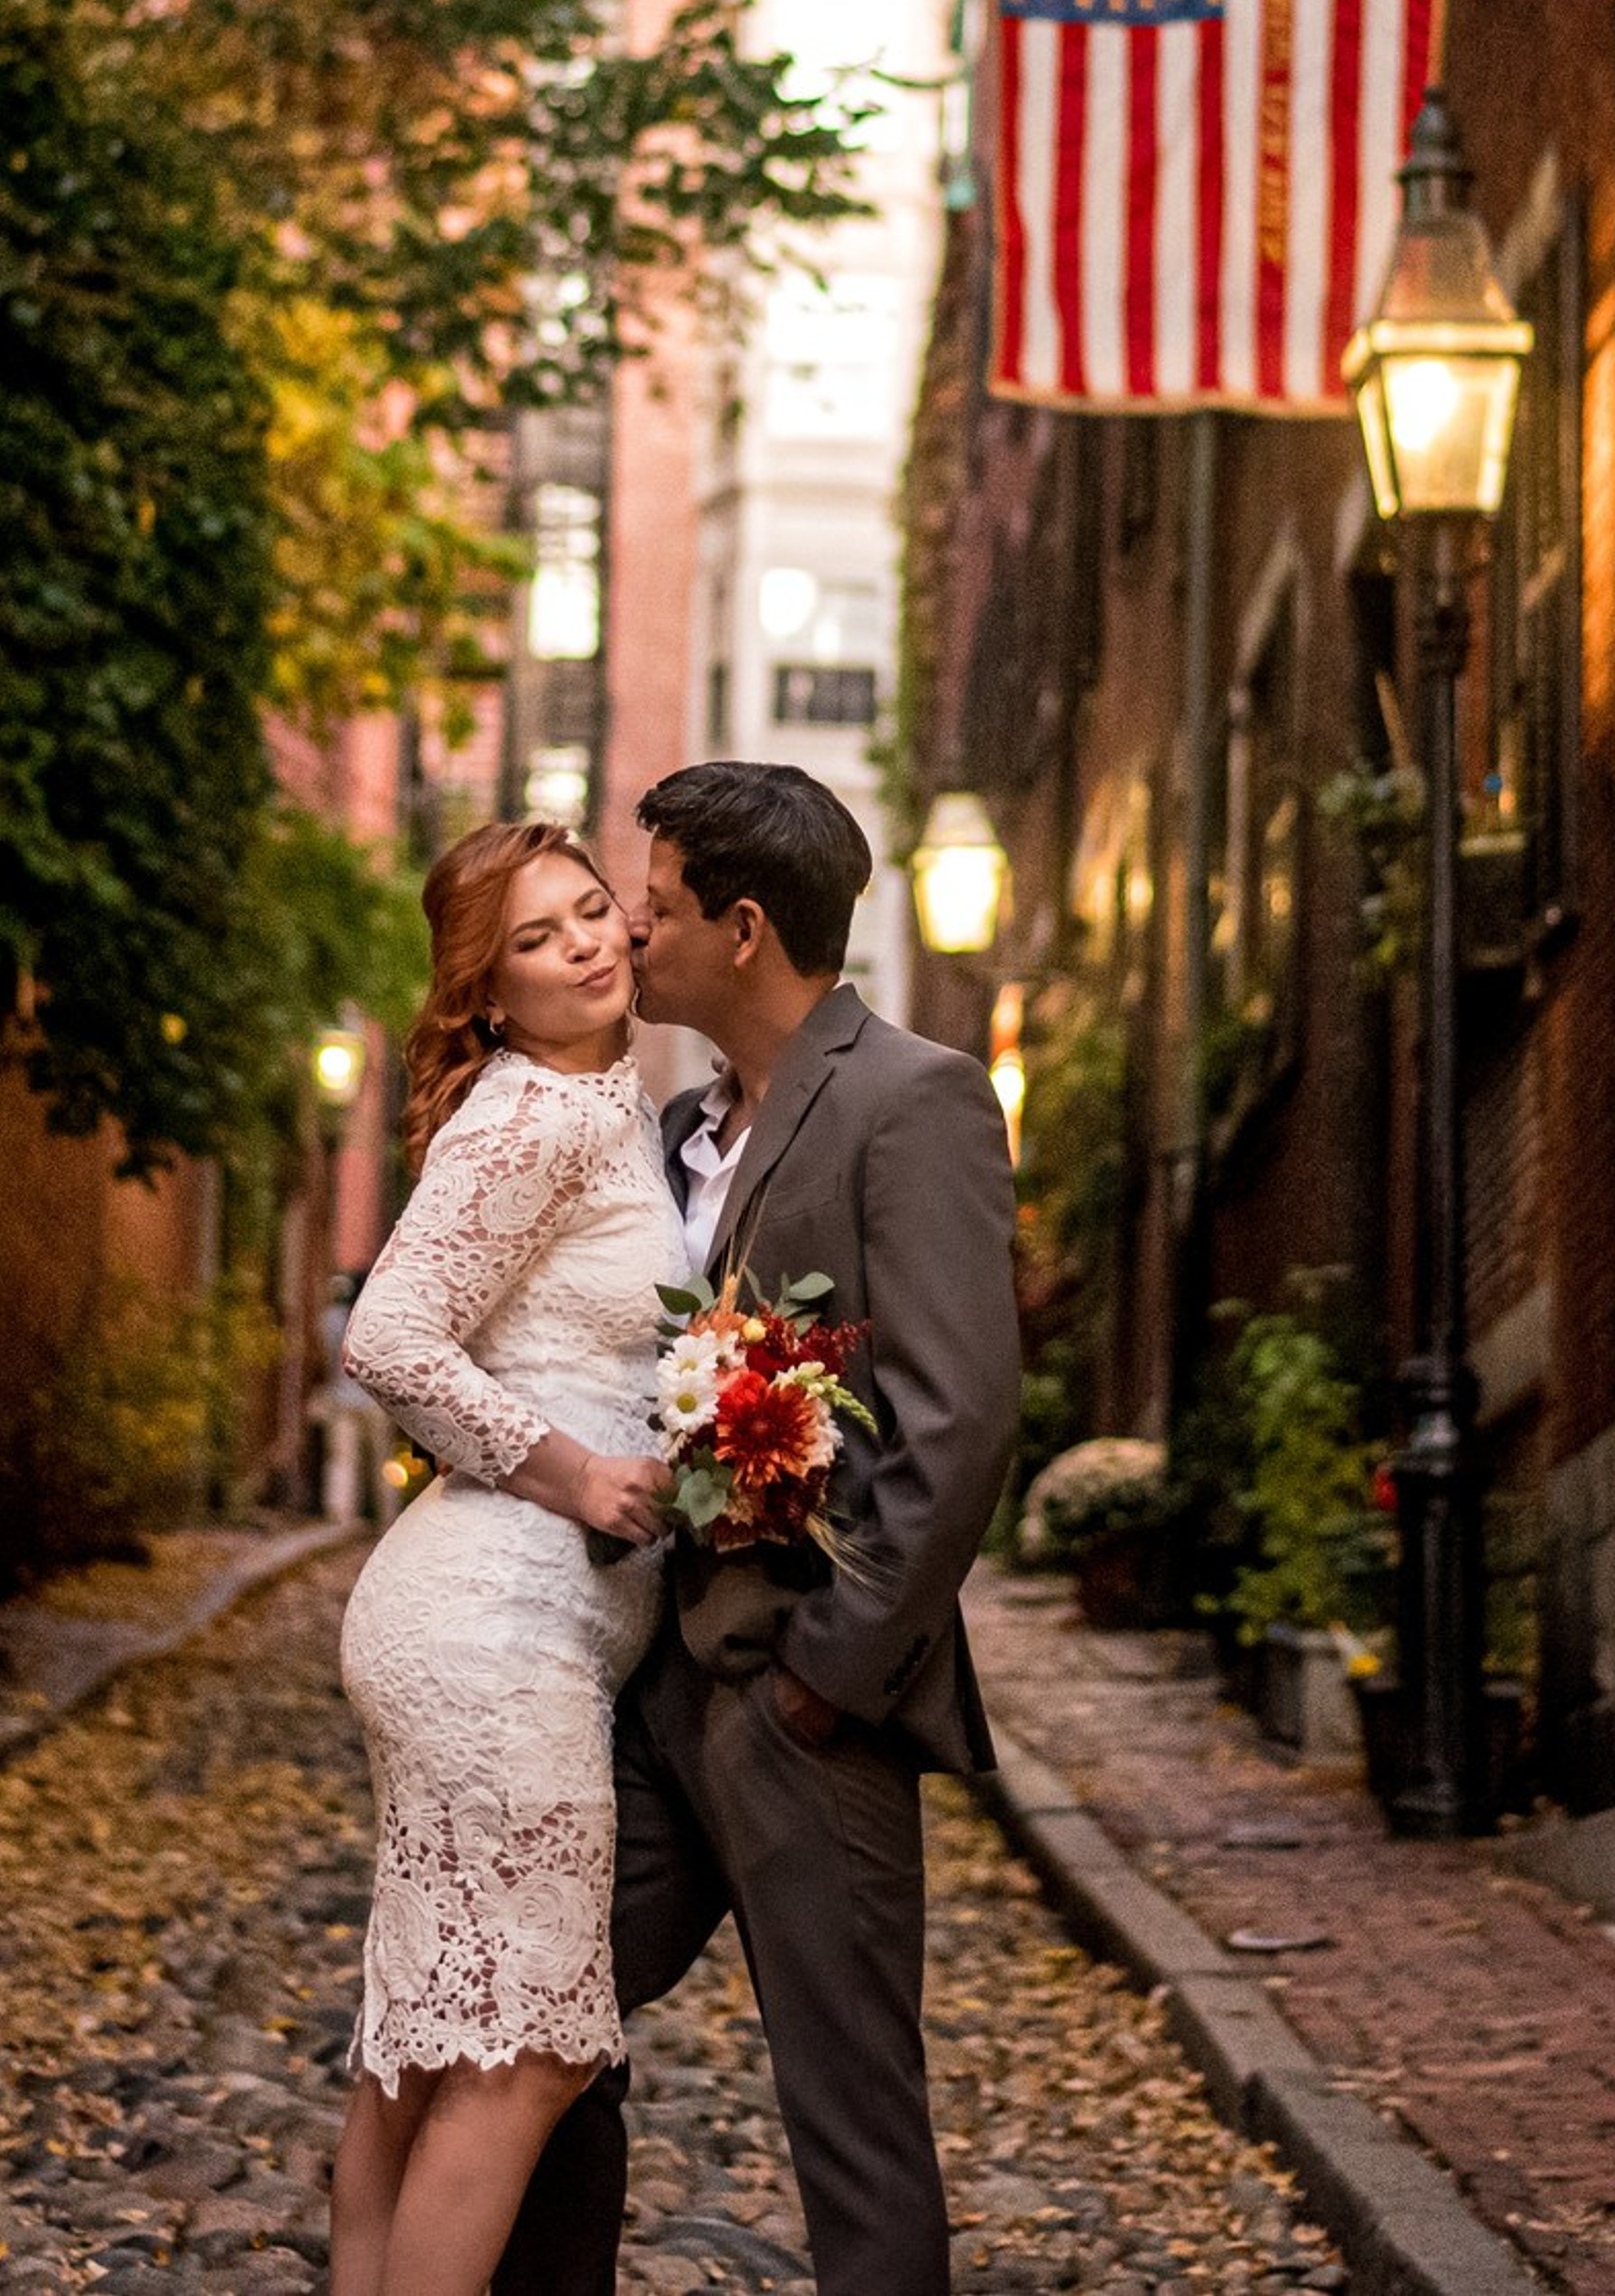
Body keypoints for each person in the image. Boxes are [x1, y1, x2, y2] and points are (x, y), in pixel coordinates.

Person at [495, 759, 1023, 2296]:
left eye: (649, 911)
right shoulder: (672, 1129)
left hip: (811, 1711)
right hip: (660, 1703)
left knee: (853, 2123)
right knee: (541, 2018)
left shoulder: (913, 1101)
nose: (626, 939)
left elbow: (958, 1421)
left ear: (742, 927)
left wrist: (826, 1679)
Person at [330, 821, 687, 2296]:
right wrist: (577, 1472)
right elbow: (389, 1337)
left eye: (593, 911)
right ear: (488, 993)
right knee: (524, 2048)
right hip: (495, 1630)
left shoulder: (603, 1104)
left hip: (484, 1622)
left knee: (424, 2045)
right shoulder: (534, 1114)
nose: (587, 945)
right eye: (535, 941)